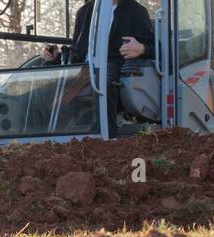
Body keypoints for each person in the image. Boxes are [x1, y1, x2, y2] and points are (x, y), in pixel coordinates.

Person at [41, 0, 154, 137]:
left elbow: (156, 49)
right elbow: (77, 51)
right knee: (41, 90)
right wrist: (55, 57)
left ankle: (105, 138)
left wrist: (142, 49)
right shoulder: (84, 12)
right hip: (83, 70)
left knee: (104, 81)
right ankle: (48, 140)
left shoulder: (136, 11)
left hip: (115, 69)